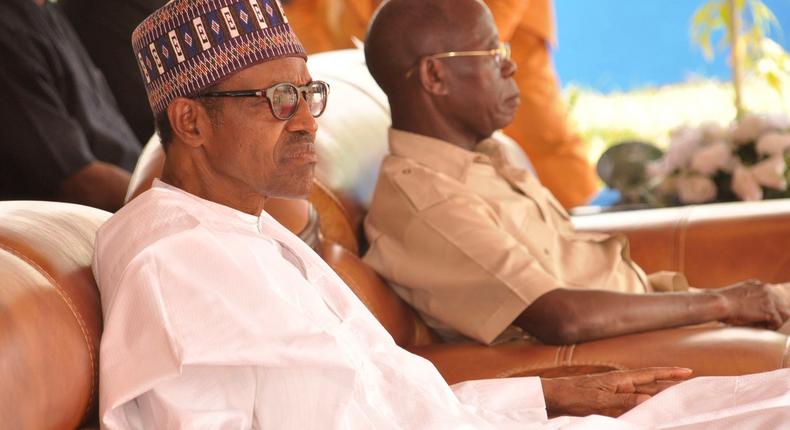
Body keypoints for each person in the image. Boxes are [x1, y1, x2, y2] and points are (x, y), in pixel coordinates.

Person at [94, 0, 790, 428]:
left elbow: (390, 390)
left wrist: (551, 397)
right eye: (277, 101)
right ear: (189, 120)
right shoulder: (170, 258)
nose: (306, 123)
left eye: (310, 95)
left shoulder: (246, 229)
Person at [361, 0, 790, 347]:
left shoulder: (485, 153)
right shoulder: (429, 202)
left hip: (667, 317)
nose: (511, 67)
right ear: (435, 75)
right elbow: (560, 317)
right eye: (494, 54)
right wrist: (723, 304)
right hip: (649, 351)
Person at [0, 0, 141, 211]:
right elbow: (81, 184)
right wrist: (171, 199)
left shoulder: (47, 11)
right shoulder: (9, 31)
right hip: (93, 225)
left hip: (136, 191)